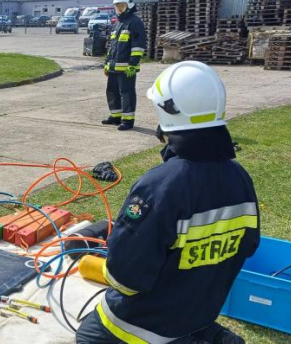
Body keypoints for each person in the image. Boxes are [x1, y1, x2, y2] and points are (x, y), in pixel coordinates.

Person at [76, 61, 259, 344]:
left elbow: (124, 278)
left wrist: (105, 252)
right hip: (198, 312)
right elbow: (246, 247)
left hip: (144, 325)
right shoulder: (240, 178)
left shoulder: (160, 186)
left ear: (167, 112)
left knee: (87, 337)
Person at [102, 0, 146, 131]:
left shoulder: (135, 22)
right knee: (112, 91)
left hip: (127, 68)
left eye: (122, 6)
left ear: (129, 5)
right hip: (114, 67)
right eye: (117, 6)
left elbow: (138, 46)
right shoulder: (117, 23)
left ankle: (128, 120)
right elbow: (111, 46)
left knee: (126, 93)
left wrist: (133, 64)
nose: (119, 9)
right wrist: (106, 63)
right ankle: (116, 116)